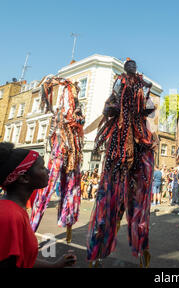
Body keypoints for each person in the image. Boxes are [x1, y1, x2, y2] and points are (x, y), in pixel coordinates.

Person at [87, 58, 156, 268]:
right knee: (109, 198)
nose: (133, 68)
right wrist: (113, 110)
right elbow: (109, 106)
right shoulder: (119, 83)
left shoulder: (142, 85)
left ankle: (141, 244)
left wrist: (144, 109)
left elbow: (149, 109)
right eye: (129, 65)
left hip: (140, 141)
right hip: (119, 142)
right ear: (125, 69)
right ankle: (100, 248)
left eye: (135, 65)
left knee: (138, 200)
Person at [0, 142, 77, 268]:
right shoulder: (9, 215)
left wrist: (55, 265)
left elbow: (22, 260)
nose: (47, 170)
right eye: (42, 167)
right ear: (24, 178)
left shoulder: (16, 211)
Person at [30, 77, 84, 235]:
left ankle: (68, 223)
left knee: (72, 186)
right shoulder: (61, 106)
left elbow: (81, 121)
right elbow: (47, 85)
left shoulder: (77, 106)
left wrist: (78, 121)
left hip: (73, 153)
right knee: (48, 185)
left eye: (75, 90)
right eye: (72, 89)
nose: (74, 92)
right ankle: (31, 227)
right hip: (59, 150)